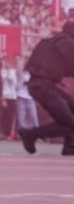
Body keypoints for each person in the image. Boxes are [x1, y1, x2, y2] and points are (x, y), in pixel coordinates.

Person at [18, 20, 74, 156]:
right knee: (68, 122)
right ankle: (31, 134)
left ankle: (70, 147)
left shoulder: (49, 41)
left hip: (40, 84)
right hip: (43, 86)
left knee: (71, 110)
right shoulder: (67, 43)